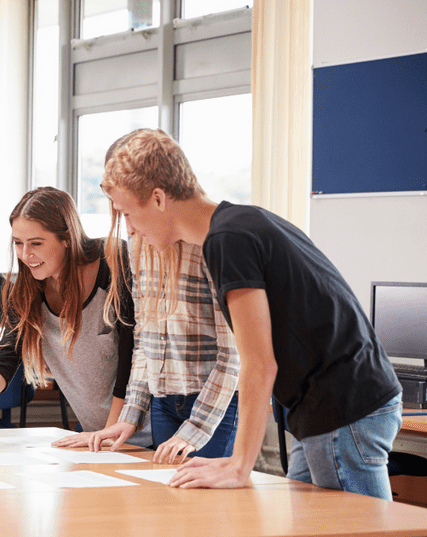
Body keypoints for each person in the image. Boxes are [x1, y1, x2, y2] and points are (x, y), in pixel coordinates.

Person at [100, 128, 402, 499]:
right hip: (326, 406)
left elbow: (258, 363)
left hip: (345, 406)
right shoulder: (241, 223)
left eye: (129, 213)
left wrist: (239, 465)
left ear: (159, 199)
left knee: (363, 526)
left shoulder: (228, 241)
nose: (130, 228)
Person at [60, 134, 241, 464]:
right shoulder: (140, 248)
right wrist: (129, 416)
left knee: (207, 507)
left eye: (130, 213)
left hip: (214, 401)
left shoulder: (213, 244)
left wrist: (194, 430)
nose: (128, 228)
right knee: (169, 505)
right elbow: (146, 342)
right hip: (162, 400)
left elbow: (234, 354)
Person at [0, 187, 149, 448]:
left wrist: (109, 433)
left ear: (67, 238)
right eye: (18, 243)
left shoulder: (113, 262)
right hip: (97, 435)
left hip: (146, 432)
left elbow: (132, 353)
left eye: (36, 243)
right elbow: (6, 356)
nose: (26, 255)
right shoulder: (29, 291)